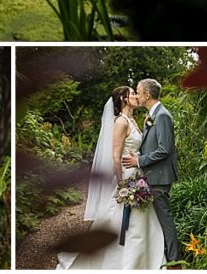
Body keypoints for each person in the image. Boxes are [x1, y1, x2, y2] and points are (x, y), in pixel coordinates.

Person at [56, 86, 164, 270]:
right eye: (133, 94)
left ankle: (145, 257)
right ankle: (123, 261)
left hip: (138, 174)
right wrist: (121, 183)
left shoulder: (133, 120)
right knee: (122, 217)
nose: (136, 96)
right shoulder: (121, 122)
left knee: (140, 217)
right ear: (123, 98)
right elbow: (115, 156)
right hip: (127, 176)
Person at [122, 78, 181, 264]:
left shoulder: (162, 116)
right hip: (153, 175)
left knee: (165, 219)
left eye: (138, 92)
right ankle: (163, 255)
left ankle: (174, 261)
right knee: (158, 220)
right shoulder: (153, 115)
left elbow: (165, 149)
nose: (137, 96)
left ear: (147, 95)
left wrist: (139, 160)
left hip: (160, 177)